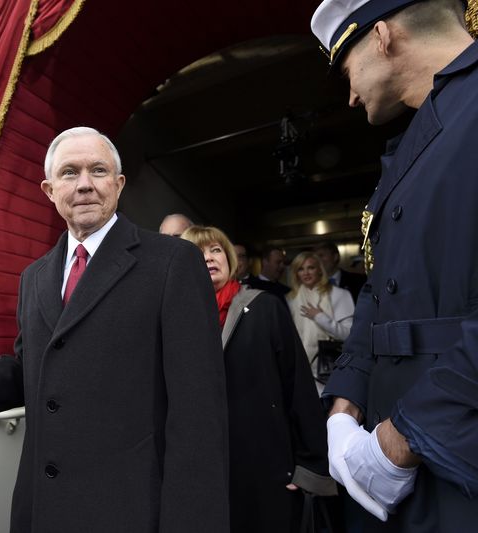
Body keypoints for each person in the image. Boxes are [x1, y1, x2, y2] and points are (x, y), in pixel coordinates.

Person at [0, 127, 229, 532]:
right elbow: (37, 371)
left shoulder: (171, 262)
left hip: (130, 509)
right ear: (48, 190)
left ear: (118, 184)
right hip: (43, 509)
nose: (84, 184)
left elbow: (198, 410)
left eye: (98, 170)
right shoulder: (34, 277)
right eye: (69, 172)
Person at [311, 0, 478, 530]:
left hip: (451, 456)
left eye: (347, 68)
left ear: (382, 36)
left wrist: (401, 440)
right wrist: (344, 407)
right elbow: (377, 293)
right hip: (396, 462)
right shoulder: (412, 141)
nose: (352, 93)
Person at [182, 226, 334, 533]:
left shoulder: (264, 306)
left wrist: (310, 465)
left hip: (264, 463)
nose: (209, 257)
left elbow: (298, 386)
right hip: (202, 469)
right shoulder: (178, 318)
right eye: (198, 252)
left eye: (216, 250)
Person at [286, 251, 354, 394]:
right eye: (300, 269)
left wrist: (320, 317)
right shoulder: (291, 299)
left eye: (311, 267)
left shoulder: (339, 294)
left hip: (331, 368)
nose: (306, 273)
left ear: (320, 270)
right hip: (301, 369)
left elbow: (349, 335)